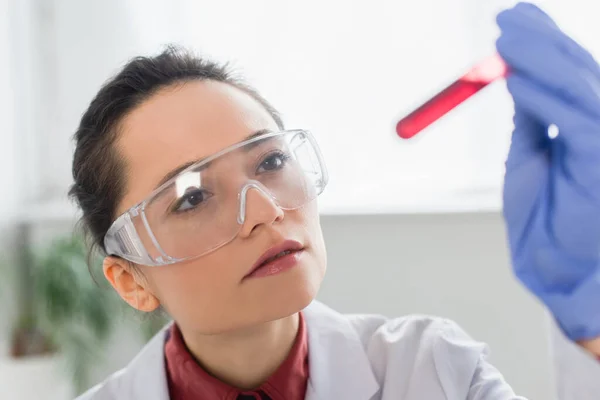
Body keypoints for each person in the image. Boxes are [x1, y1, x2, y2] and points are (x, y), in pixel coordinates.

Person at [70, 3, 599, 400]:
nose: (265, 211)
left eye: (271, 163)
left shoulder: (434, 371)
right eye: (192, 198)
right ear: (131, 281)